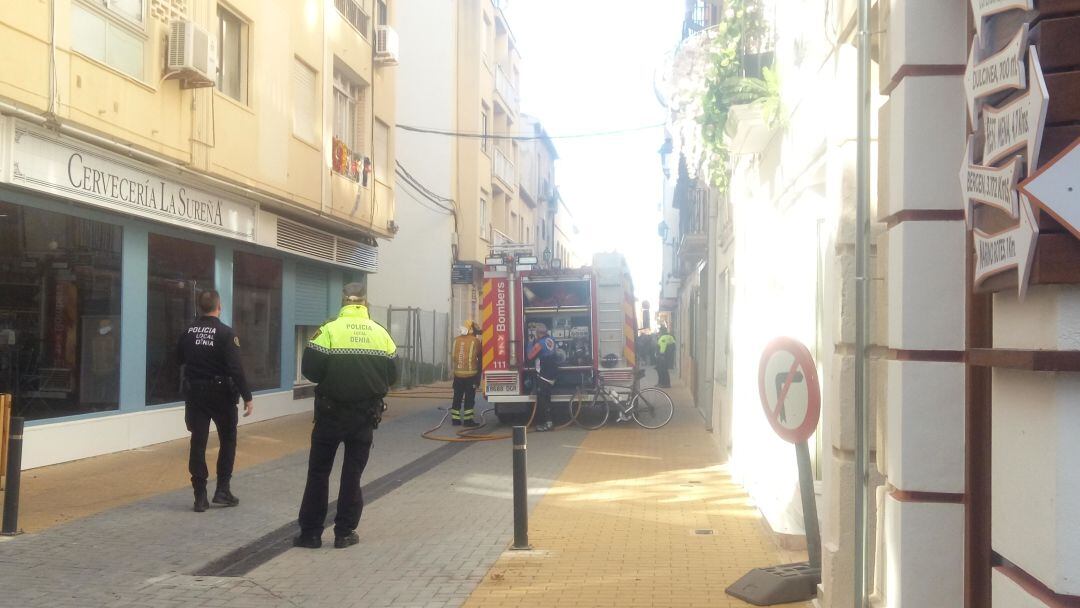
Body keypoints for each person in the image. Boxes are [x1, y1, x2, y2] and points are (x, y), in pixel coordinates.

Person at [294, 283, 397, 550]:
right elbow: (393, 376)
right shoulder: (381, 334)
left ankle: (310, 535)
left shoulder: (328, 331)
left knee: (318, 472)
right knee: (352, 474)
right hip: (364, 416)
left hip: (330, 413)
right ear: (365, 303)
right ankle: (344, 533)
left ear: (343, 302)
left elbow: (311, 371)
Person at [176, 289, 254, 513]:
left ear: (200, 308)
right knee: (228, 440)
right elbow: (235, 369)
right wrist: (247, 396)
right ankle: (222, 490)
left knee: (198, 442)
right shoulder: (226, 333)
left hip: (196, 394)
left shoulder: (188, 332)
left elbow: (178, 359)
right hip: (222, 395)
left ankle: (200, 496)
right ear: (219, 307)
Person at [526, 323, 558, 432]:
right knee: (547, 398)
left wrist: (530, 342)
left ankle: (548, 423)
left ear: (538, 333)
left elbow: (530, 356)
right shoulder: (551, 339)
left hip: (544, 374)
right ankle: (549, 422)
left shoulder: (539, 344)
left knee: (543, 400)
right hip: (552, 373)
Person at [450, 320, 483, 427]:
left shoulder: (456, 340)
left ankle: (455, 420)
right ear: (472, 330)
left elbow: (454, 356)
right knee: (469, 399)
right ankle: (468, 421)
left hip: (458, 375)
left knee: (457, 397)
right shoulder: (475, 341)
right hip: (470, 375)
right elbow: (480, 356)